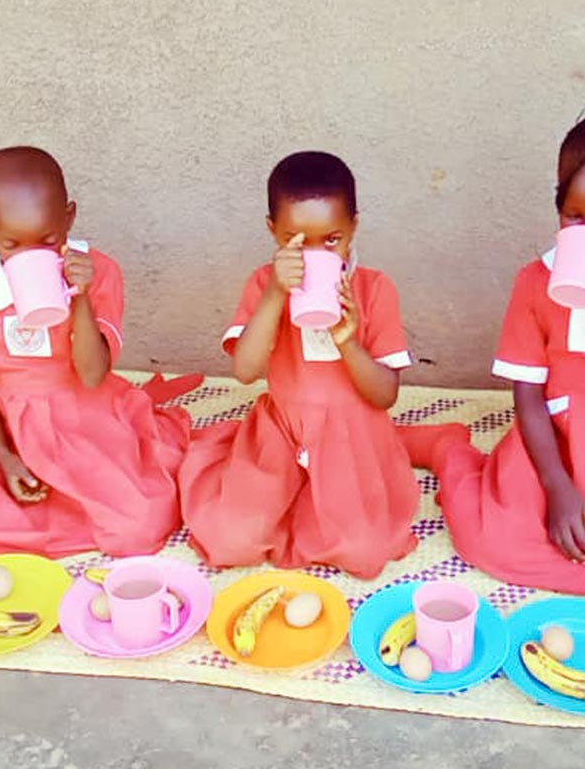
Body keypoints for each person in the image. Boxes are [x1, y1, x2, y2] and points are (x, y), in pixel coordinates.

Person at [401, 97, 585, 616]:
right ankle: (450, 452)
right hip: (553, 445)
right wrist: (557, 486)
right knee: (487, 543)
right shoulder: (536, 281)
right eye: (573, 215)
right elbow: (528, 394)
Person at [0, 147, 197, 565]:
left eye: (48, 241)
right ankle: (54, 517)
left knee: (142, 525)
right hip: (15, 434)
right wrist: (5, 459)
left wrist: (79, 299)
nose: (30, 256)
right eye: (11, 244)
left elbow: (93, 374)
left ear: (69, 218)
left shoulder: (99, 272)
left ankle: (63, 517)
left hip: (92, 424)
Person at [178, 151, 419, 578]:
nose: (314, 254)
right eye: (296, 240)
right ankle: (273, 498)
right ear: (272, 231)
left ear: (353, 229)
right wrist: (275, 294)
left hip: (352, 437)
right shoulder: (264, 283)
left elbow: (384, 394)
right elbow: (246, 371)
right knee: (230, 539)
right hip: (282, 432)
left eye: (331, 240)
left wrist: (347, 341)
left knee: (364, 552)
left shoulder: (375, 288)